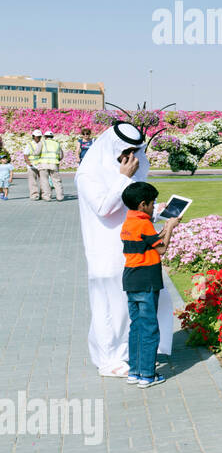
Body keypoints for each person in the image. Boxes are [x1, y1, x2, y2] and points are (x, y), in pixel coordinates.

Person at [75, 124, 174, 377]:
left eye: (135, 151)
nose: (131, 157)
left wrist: (163, 215)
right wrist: (123, 177)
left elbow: (136, 206)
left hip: (135, 252)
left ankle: (132, 355)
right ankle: (109, 359)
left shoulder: (130, 170)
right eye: (126, 151)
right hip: (105, 251)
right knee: (109, 309)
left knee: (134, 309)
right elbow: (103, 208)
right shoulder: (89, 173)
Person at [120, 182, 180, 387]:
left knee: (136, 326)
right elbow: (161, 249)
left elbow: (151, 241)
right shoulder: (144, 223)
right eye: (152, 204)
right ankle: (147, 374)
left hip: (131, 279)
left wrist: (163, 229)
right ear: (142, 204)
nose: (155, 207)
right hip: (147, 280)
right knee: (149, 328)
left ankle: (134, 371)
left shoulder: (129, 221)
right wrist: (171, 227)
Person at [36, 130, 64, 201]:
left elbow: (37, 152)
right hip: (54, 164)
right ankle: (60, 196)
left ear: (45, 137)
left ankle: (47, 197)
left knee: (44, 181)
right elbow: (61, 155)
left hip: (43, 164)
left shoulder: (42, 143)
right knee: (56, 181)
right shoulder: (57, 144)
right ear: (52, 137)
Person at [22, 129, 43, 201]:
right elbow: (25, 155)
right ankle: (34, 195)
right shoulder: (30, 144)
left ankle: (43, 194)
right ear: (33, 137)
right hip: (32, 166)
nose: (38, 138)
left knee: (43, 181)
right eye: (37, 137)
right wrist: (28, 163)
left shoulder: (42, 144)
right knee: (32, 181)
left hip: (40, 165)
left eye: (40, 137)